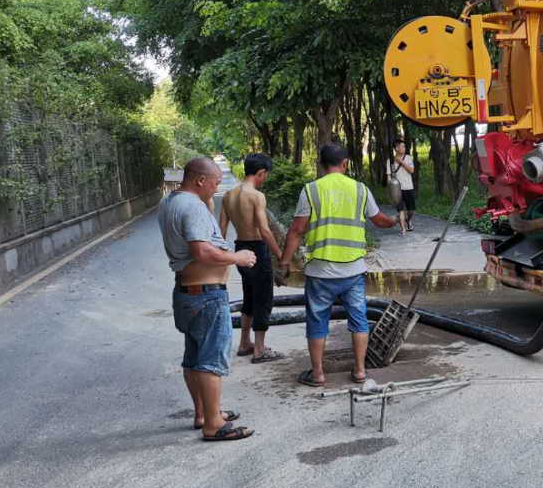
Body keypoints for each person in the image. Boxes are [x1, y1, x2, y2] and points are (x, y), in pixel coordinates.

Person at [278, 143, 397, 387]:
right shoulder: (360, 190)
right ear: (345, 164)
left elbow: (297, 230)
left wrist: (285, 262)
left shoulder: (311, 190)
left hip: (320, 272)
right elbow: (380, 220)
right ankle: (360, 371)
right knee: (359, 320)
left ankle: (319, 374)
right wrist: (395, 220)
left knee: (317, 321)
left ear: (321, 165)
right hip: (353, 271)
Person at [158, 156, 255, 442]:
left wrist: (208, 204)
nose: (216, 188)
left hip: (187, 294)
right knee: (211, 359)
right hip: (207, 294)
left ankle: (203, 412)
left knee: (194, 356)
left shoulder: (171, 202)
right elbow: (203, 251)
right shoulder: (193, 206)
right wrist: (237, 257)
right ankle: (213, 424)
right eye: (214, 183)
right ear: (200, 180)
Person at [220, 153, 284, 363]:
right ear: (261, 173)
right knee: (264, 299)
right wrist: (281, 256)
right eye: (265, 175)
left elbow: (220, 233)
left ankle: (244, 343)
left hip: (240, 249)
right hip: (257, 248)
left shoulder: (229, 196)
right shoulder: (256, 196)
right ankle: (259, 350)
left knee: (249, 297)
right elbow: (265, 231)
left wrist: (226, 258)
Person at [391, 139, 415, 233]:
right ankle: (403, 229)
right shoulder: (390, 161)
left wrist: (401, 162)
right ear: (397, 148)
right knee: (401, 210)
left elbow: (411, 170)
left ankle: (408, 220)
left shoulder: (408, 158)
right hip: (397, 190)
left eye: (405, 146)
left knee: (411, 210)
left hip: (409, 187)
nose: (405, 148)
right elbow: (390, 176)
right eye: (403, 146)